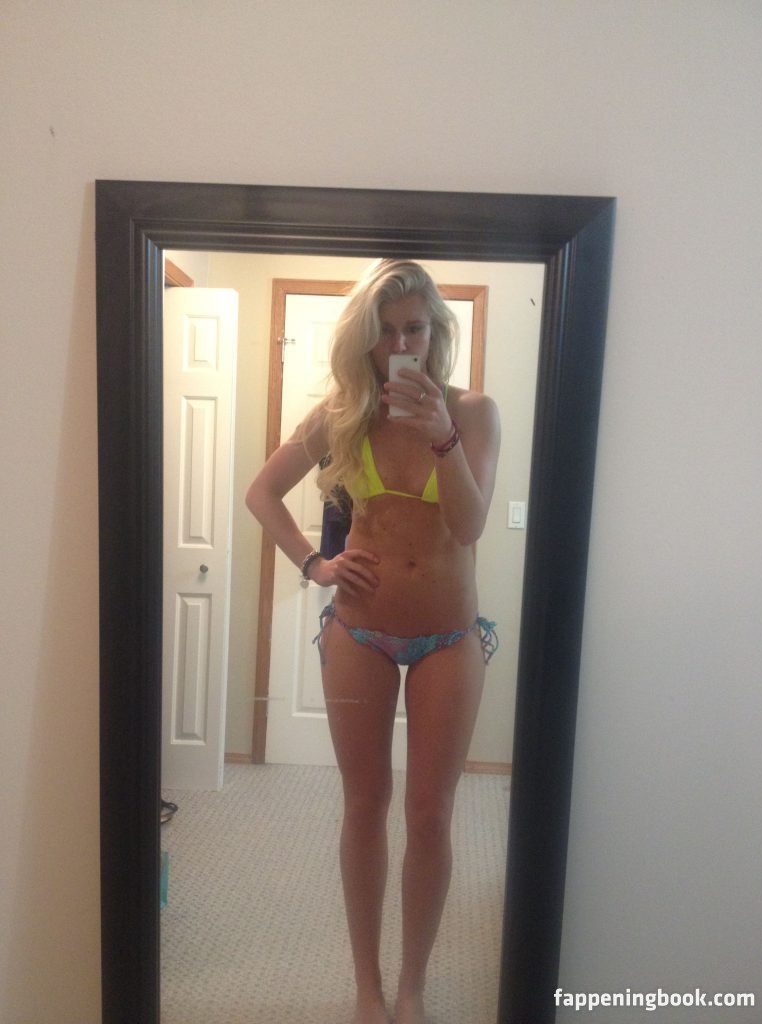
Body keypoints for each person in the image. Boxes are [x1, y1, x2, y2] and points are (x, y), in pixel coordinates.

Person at [245, 259, 501, 1024]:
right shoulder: (340, 415)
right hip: (359, 631)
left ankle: (412, 988)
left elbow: (470, 526)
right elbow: (262, 493)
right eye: (384, 333)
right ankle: (367, 988)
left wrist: (441, 436)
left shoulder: (473, 413)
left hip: (448, 638)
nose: (401, 346)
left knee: (430, 814)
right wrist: (315, 564)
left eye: (414, 329)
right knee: (364, 805)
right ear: (366, 341)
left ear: (436, 331)